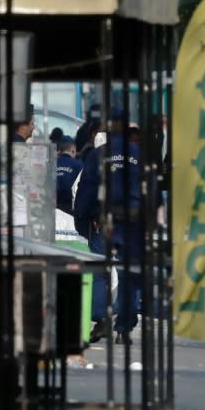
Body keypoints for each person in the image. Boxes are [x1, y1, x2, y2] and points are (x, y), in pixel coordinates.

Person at [75, 108, 143, 345]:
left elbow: (88, 189)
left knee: (100, 271)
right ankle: (124, 328)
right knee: (128, 275)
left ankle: (101, 319)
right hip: (133, 224)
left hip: (104, 223)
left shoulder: (98, 155)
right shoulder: (138, 154)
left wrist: (83, 218)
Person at [55, 136, 82, 215]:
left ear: (60, 151)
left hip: (53, 209)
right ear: (73, 151)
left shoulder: (51, 163)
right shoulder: (79, 165)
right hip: (71, 210)